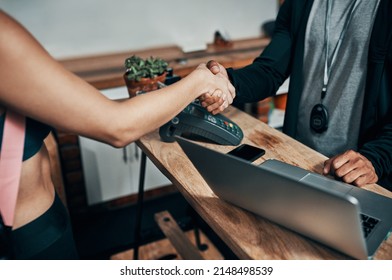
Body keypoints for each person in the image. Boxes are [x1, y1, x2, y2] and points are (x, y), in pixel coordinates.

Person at [0, 10, 235, 259]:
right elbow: (117, 127)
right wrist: (199, 80)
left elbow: (82, 111)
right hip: (22, 240)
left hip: (41, 224)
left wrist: (176, 97)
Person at [203, 0, 392, 190]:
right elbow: (269, 71)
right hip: (300, 161)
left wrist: (375, 159)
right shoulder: (299, 4)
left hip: (358, 178)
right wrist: (229, 80)